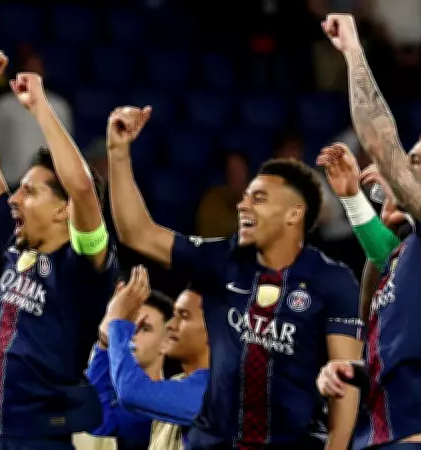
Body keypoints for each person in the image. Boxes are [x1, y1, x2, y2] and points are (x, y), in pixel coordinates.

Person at [106, 106, 363, 450]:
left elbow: (345, 386)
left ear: (294, 214)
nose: (243, 206)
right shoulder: (221, 260)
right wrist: (118, 152)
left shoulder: (332, 280)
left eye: (259, 199)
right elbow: (138, 233)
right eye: (245, 198)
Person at [316, 13, 421, 450]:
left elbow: (380, 142)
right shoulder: (414, 249)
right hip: (382, 433)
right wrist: (355, 369)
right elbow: (374, 309)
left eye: (415, 162)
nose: (403, 170)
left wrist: (354, 51)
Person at [0, 48, 118, 449]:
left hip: (35, 438)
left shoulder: (84, 263)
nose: (14, 199)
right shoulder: (15, 239)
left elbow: (82, 187)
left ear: (63, 210)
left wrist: (39, 106)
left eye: (30, 192)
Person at [100, 267, 210, 450]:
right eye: (173, 315)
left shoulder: (218, 393)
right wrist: (104, 343)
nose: (171, 325)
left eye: (184, 316)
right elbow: (102, 419)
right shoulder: (175, 386)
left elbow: (132, 392)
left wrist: (119, 324)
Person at [84, 280, 175, 450]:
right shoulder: (112, 392)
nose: (130, 333)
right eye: (128, 324)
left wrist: (104, 343)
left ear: (167, 341)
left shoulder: (166, 401)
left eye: (145, 328)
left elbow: (94, 420)